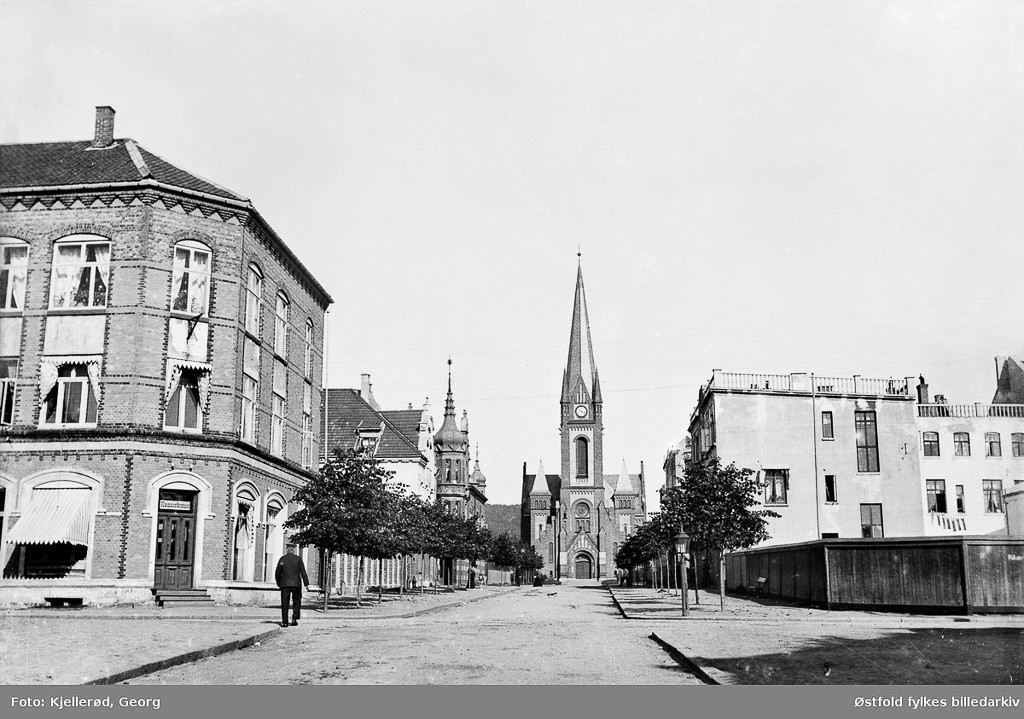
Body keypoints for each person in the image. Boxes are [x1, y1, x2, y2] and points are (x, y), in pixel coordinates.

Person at [275, 545, 309, 627]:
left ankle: (285, 622)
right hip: (296, 584)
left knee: (284, 603)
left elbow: (277, 573)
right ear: (294, 550)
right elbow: (303, 572)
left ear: (287, 550)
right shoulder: (298, 559)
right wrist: (306, 584)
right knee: (296, 602)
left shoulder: (282, 559)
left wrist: (279, 583)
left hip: (285, 585)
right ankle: (294, 619)